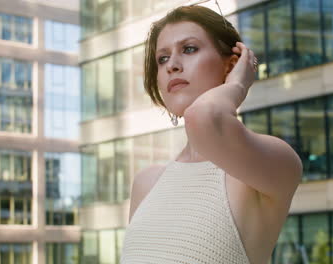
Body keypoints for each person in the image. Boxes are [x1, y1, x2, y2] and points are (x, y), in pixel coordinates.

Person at [120, 4, 302, 264]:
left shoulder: (272, 163)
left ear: (231, 65)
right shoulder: (146, 183)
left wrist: (238, 84)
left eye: (189, 49)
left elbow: (204, 118)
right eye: (162, 58)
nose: (172, 65)